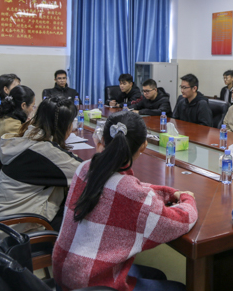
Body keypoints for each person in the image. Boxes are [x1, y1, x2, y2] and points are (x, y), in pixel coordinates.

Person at [52, 111, 198, 291]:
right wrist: (187, 198)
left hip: (64, 273)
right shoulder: (130, 192)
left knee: (157, 275)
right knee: (179, 288)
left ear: (103, 140)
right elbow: (181, 220)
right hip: (92, 284)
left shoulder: (84, 168)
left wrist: (168, 193)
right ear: (144, 145)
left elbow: (131, 188)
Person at [0, 97, 81, 232]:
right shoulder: (45, 151)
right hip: (18, 231)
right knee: (82, 215)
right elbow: (87, 172)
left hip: (1, 221)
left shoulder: (28, 137)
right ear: (64, 126)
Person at [0, 85, 36, 174]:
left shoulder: (3, 117)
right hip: (1, 171)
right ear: (23, 105)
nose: (33, 109)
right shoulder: (13, 125)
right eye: (33, 106)